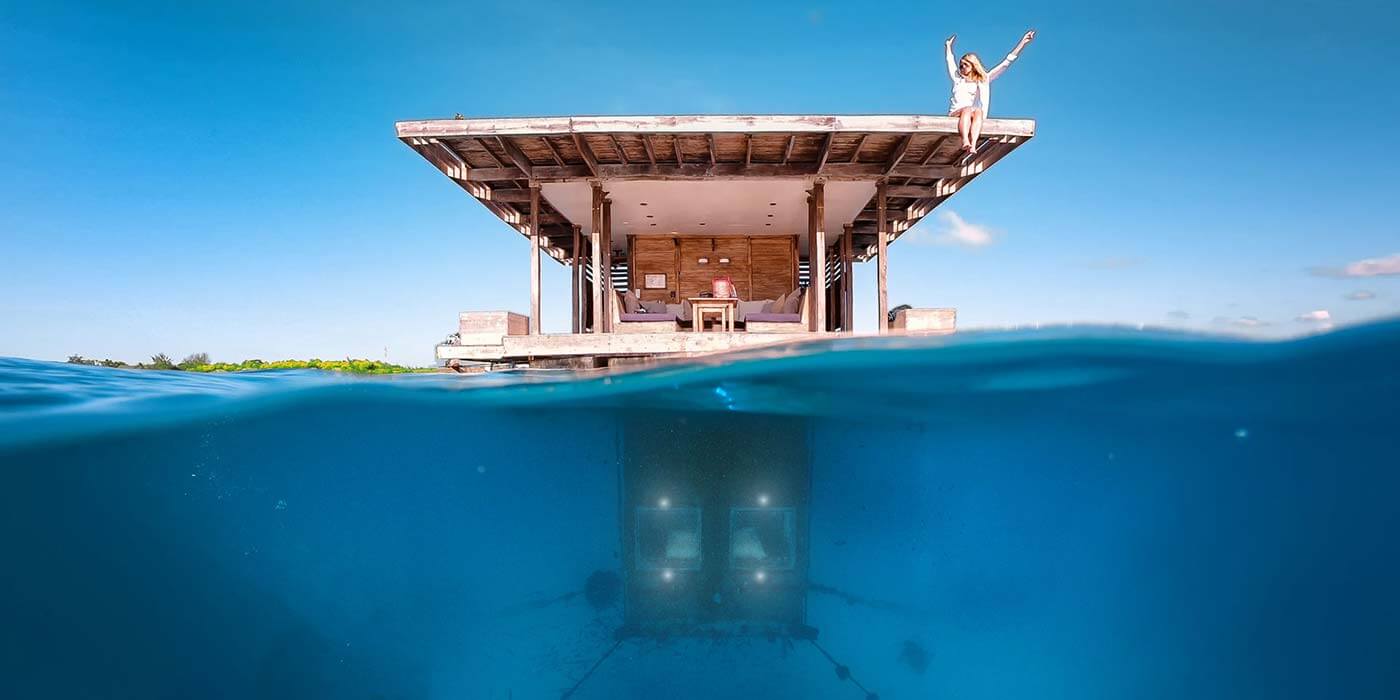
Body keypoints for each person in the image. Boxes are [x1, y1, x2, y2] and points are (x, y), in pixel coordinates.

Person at [945, 30, 1035, 155]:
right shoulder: (958, 79)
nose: (962, 68)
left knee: (978, 112)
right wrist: (948, 47)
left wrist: (1023, 43)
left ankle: (973, 145)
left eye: (965, 65)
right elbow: (950, 61)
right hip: (956, 113)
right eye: (960, 66)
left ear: (973, 66)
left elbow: (1006, 63)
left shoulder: (982, 80)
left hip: (970, 113)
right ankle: (965, 139)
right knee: (967, 109)